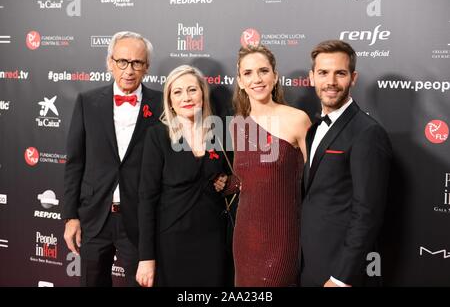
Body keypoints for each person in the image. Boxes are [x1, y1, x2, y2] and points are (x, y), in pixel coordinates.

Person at [62, 31, 162, 287]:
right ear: (110, 63)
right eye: (122, 61)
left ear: (147, 67)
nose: (129, 70)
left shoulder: (162, 104)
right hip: (94, 218)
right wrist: (71, 216)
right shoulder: (87, 102)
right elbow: (75, 162)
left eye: (137, 63)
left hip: (140, 219)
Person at [300, 40, 392, 287]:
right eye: (323, 73)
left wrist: (341, 278)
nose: (330, 81)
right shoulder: (314, 128)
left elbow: (367, 213)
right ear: (311, 77)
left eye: (339, 73)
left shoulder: (367, 133)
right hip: (309, 264)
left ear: (353, 78)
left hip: (340, 273)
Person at [136, 65, 231, 287]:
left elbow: (235, 176)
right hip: (172, 243)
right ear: (169, 100)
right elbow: (146, 200)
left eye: (192, 90)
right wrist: (146, 257)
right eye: (177, 92)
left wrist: (226, 181)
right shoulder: (158, 136)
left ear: (202, 94)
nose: (186, 97)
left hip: (213, 241)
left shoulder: (219, 133)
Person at [231, 44, 311, 286]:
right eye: (248, 73)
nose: (256, 79)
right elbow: (247, 180)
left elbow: (316, 182)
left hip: (283, 237)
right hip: (245, 236)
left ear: (275, 77)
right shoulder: (237, 124)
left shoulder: (298, 119)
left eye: (263, 71)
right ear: (240, 81)